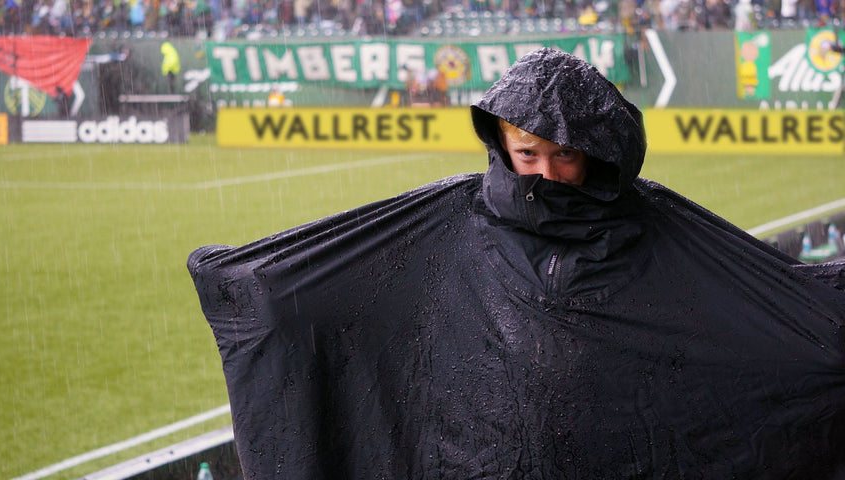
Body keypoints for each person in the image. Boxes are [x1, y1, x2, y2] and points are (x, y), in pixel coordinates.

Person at [188, 48, 845, 479]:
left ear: (600, 151)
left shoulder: (653, 225)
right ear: (501, 141)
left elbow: (773, 316)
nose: (549, 174)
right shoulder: (450, 218)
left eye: (567, 156)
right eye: (529, 154)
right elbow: (327, 287)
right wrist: (249, 290)